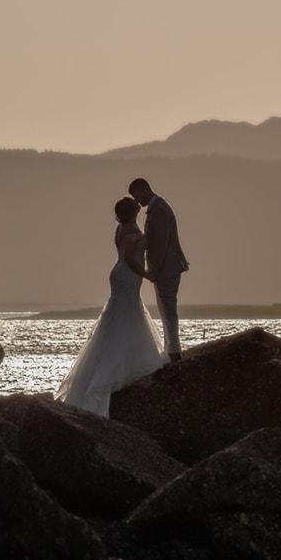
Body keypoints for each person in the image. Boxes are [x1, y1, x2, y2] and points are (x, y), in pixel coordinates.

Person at [56, 197, 168, 416]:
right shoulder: (129, 231)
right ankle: (116, 369)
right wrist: (147, 274)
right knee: (127, 314)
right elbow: (129, 258)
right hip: (128, 274)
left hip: (120, 275)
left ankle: (123, 359)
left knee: (122, 314)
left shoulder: (121, 228)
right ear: (131, 211)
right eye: (134, 204)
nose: (138, 204)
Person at [128, 177, 188, 361]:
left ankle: (174, 352)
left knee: (168, 308)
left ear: (144, 189)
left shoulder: (159, 210)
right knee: (165, 308)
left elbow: (160, 244)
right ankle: (172, 349)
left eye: (136, 196)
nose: (137, 201)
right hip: (166, 267)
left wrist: (154, 270)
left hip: (166, 267)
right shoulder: (157, 208)